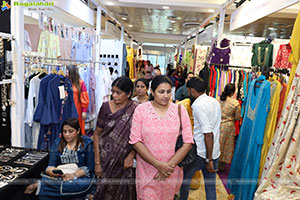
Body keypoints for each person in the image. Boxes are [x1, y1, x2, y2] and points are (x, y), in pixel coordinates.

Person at [129, 75, 194, 200]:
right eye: (161, 92)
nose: (165, 95)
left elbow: (188, 141)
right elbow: (135, 140)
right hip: (147, 170)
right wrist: (158, 165)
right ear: (152, 92)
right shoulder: (141, 110)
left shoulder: (180, 110)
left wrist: (168, 166)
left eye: (168, 92)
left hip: (171, 171)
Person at [24, 118, 95, 199]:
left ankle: (41, 186)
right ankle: (48, 187)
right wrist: (53, 172)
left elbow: (90, 167)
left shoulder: (87, 143)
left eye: (70, 131)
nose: (67, 134)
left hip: (80, 177)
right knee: (59, 182)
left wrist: (73, 175)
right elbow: (51, 165)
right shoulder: (57, 142)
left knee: (75, 185)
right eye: (64, 132)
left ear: (78, 131)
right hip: (60, 176)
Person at [93, 76, 138, 200]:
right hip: (105, 160)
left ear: (128, 94)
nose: (114, 95)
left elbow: (141, 137)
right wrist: (97, 163)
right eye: (112, 91)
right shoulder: (106, 107)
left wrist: (131, 155)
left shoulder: (136, 109)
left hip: (125, 163)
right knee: (102, 192)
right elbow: (97, 134)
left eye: (118, 92)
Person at [179, 77, 221, 200]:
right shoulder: (214, 101)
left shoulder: (198, 105)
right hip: (214, 151)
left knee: (185, 181)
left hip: (201, 153)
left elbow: (208, 134)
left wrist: (209, 160)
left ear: (192, 90)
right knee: (210, 186)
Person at [217, 83, 241, 171]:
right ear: (233, 92)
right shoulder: (235, 103)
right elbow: (237, 117)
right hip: (228, 126)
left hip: (218, 124)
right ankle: (221, 166)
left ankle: (214, 162)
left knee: (217, 143)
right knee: (225, 146)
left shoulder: (217, 99)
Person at [67, 65, 89, 135]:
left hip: (77, 110)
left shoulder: (81, 83)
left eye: (68, 72)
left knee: (76, 127)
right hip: (67, 109)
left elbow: (84, 97)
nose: (66, 74)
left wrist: (84, 111)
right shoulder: (65, 82)